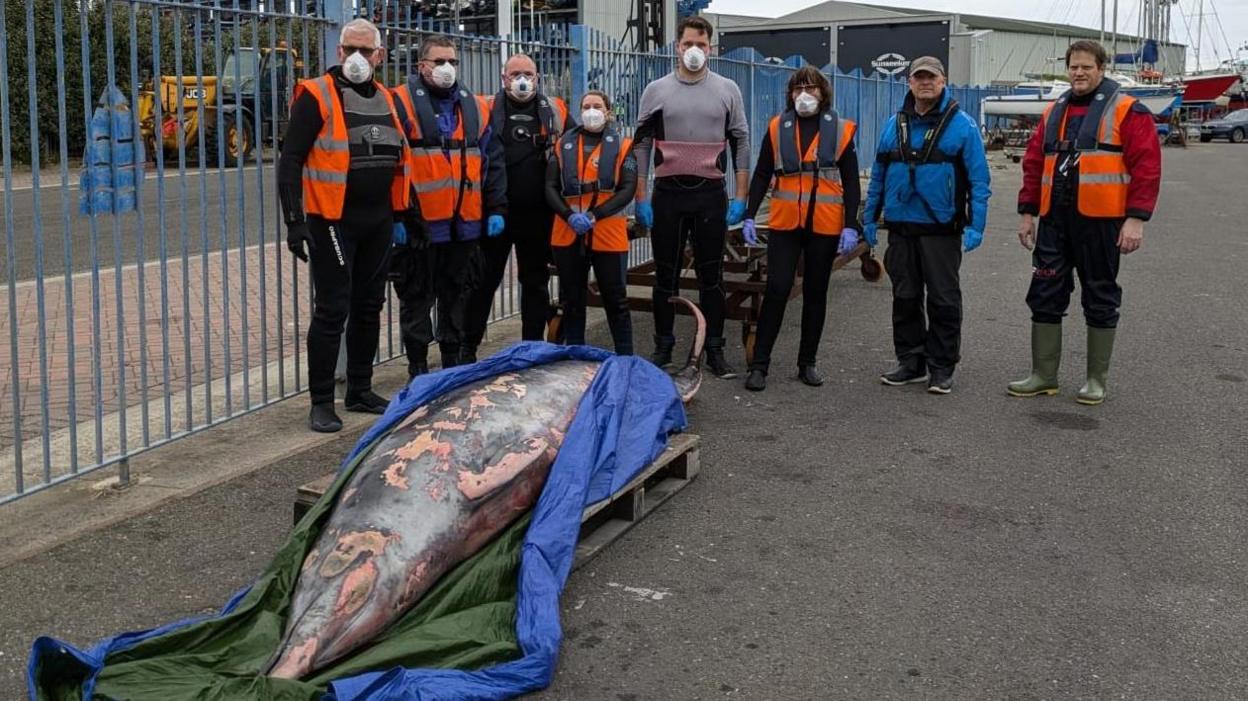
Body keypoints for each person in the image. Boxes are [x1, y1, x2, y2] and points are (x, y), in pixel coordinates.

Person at [1009, 40, 1160, 405]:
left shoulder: (1128, 111)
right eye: (1073, 66)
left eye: (1086, 67)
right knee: (1044, 294)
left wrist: (1136, 220)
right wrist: (1027, 214)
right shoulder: (1052, 113)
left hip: (1102, 222)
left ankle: (1096, 380)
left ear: (1101, 69)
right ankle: (1043, 375)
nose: (1078, 73)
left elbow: (1148, 167)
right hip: (1055, 222)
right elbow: (1033, 164)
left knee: (1100, 295)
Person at [279, 18, 410, 433]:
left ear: (379, 55)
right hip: (332, 221)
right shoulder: (316, 95)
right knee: (333, 309)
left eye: (365, 51)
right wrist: (295, 221)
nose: (357, 58)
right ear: (339, 52)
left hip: (378, 220)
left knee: (370, 306)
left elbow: (400, 160)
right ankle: (321, 401)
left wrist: (403, 216)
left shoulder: (388, 99)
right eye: (349, 49)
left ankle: (360, 388)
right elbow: (291, 161)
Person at [863, 55, 992, 395]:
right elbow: (879, 173)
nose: (925, 83)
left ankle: (942, 365)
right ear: (909, 82)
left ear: (943, 81)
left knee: (943, 299)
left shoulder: (963, 126)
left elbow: (979, 180)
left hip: (941, 228)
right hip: (901, 227)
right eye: (919, 77)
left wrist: (976, 224)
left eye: (931, 78)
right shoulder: (894, 125)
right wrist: (869, 217)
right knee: (904, 296)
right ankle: (911, 361)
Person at [633, 14, 750, 378]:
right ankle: (663, 347)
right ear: (677, 47)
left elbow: (741, 141)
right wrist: (641, 196)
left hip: (710, 195)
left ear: (710, 48)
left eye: (701, 45)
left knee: (710, 276)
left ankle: (713, 348)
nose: (694, 51)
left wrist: (741, 196)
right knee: (665, 275)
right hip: (667, 194)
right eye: (688, 45)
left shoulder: (727, 88)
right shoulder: (656, 90)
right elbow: (641, 144)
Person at [390, 34, 507, 375]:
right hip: (419, 227)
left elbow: (493, 162)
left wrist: (497, 208)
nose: (446, 68)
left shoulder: (475, 106)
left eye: (452, 62)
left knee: (457, 297)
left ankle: (452, 365)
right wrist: (397, 214)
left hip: (464, 226)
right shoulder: (400, 103)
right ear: (420, 65)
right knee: (416, 299)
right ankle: (418, 369)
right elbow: (391, 163)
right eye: (438, 61)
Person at [740, 67, 861, 392]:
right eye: (798, 89)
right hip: (785, 224)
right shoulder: (778, 127)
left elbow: (850, 180)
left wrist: (850, 226)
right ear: (790, 94)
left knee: (816, 293)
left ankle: (807, 362)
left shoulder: (842, 130)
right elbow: (762, 173)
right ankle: (759, 365)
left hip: (825, 224)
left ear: (823, 93)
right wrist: (749, 215)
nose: (804, 94)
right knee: (777, 288)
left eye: (811, 88)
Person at [460, 54, 574, 363]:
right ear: (503, 77)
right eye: (515, 74)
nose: (521, 80)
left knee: (535, 283)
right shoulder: (484, 110)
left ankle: (532, 348)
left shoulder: (556, 111)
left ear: (537, 78)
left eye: (527, 74)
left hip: (538, 214)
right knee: (484, 283)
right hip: (495, 214)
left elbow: (575, 150)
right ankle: (466, 348)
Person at [544, 90, 636, 355]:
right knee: (572, 300)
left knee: (616, 299)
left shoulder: (623, 145)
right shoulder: (563, 145)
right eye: (586, 106)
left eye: (597, 106)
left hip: (607, 231)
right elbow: (549, 186)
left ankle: (625, 357)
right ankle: (575, 355)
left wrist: (596, 215)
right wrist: (569, 215)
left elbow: (627, 189)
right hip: (567, 230)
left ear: (608, 111)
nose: (591, 111)